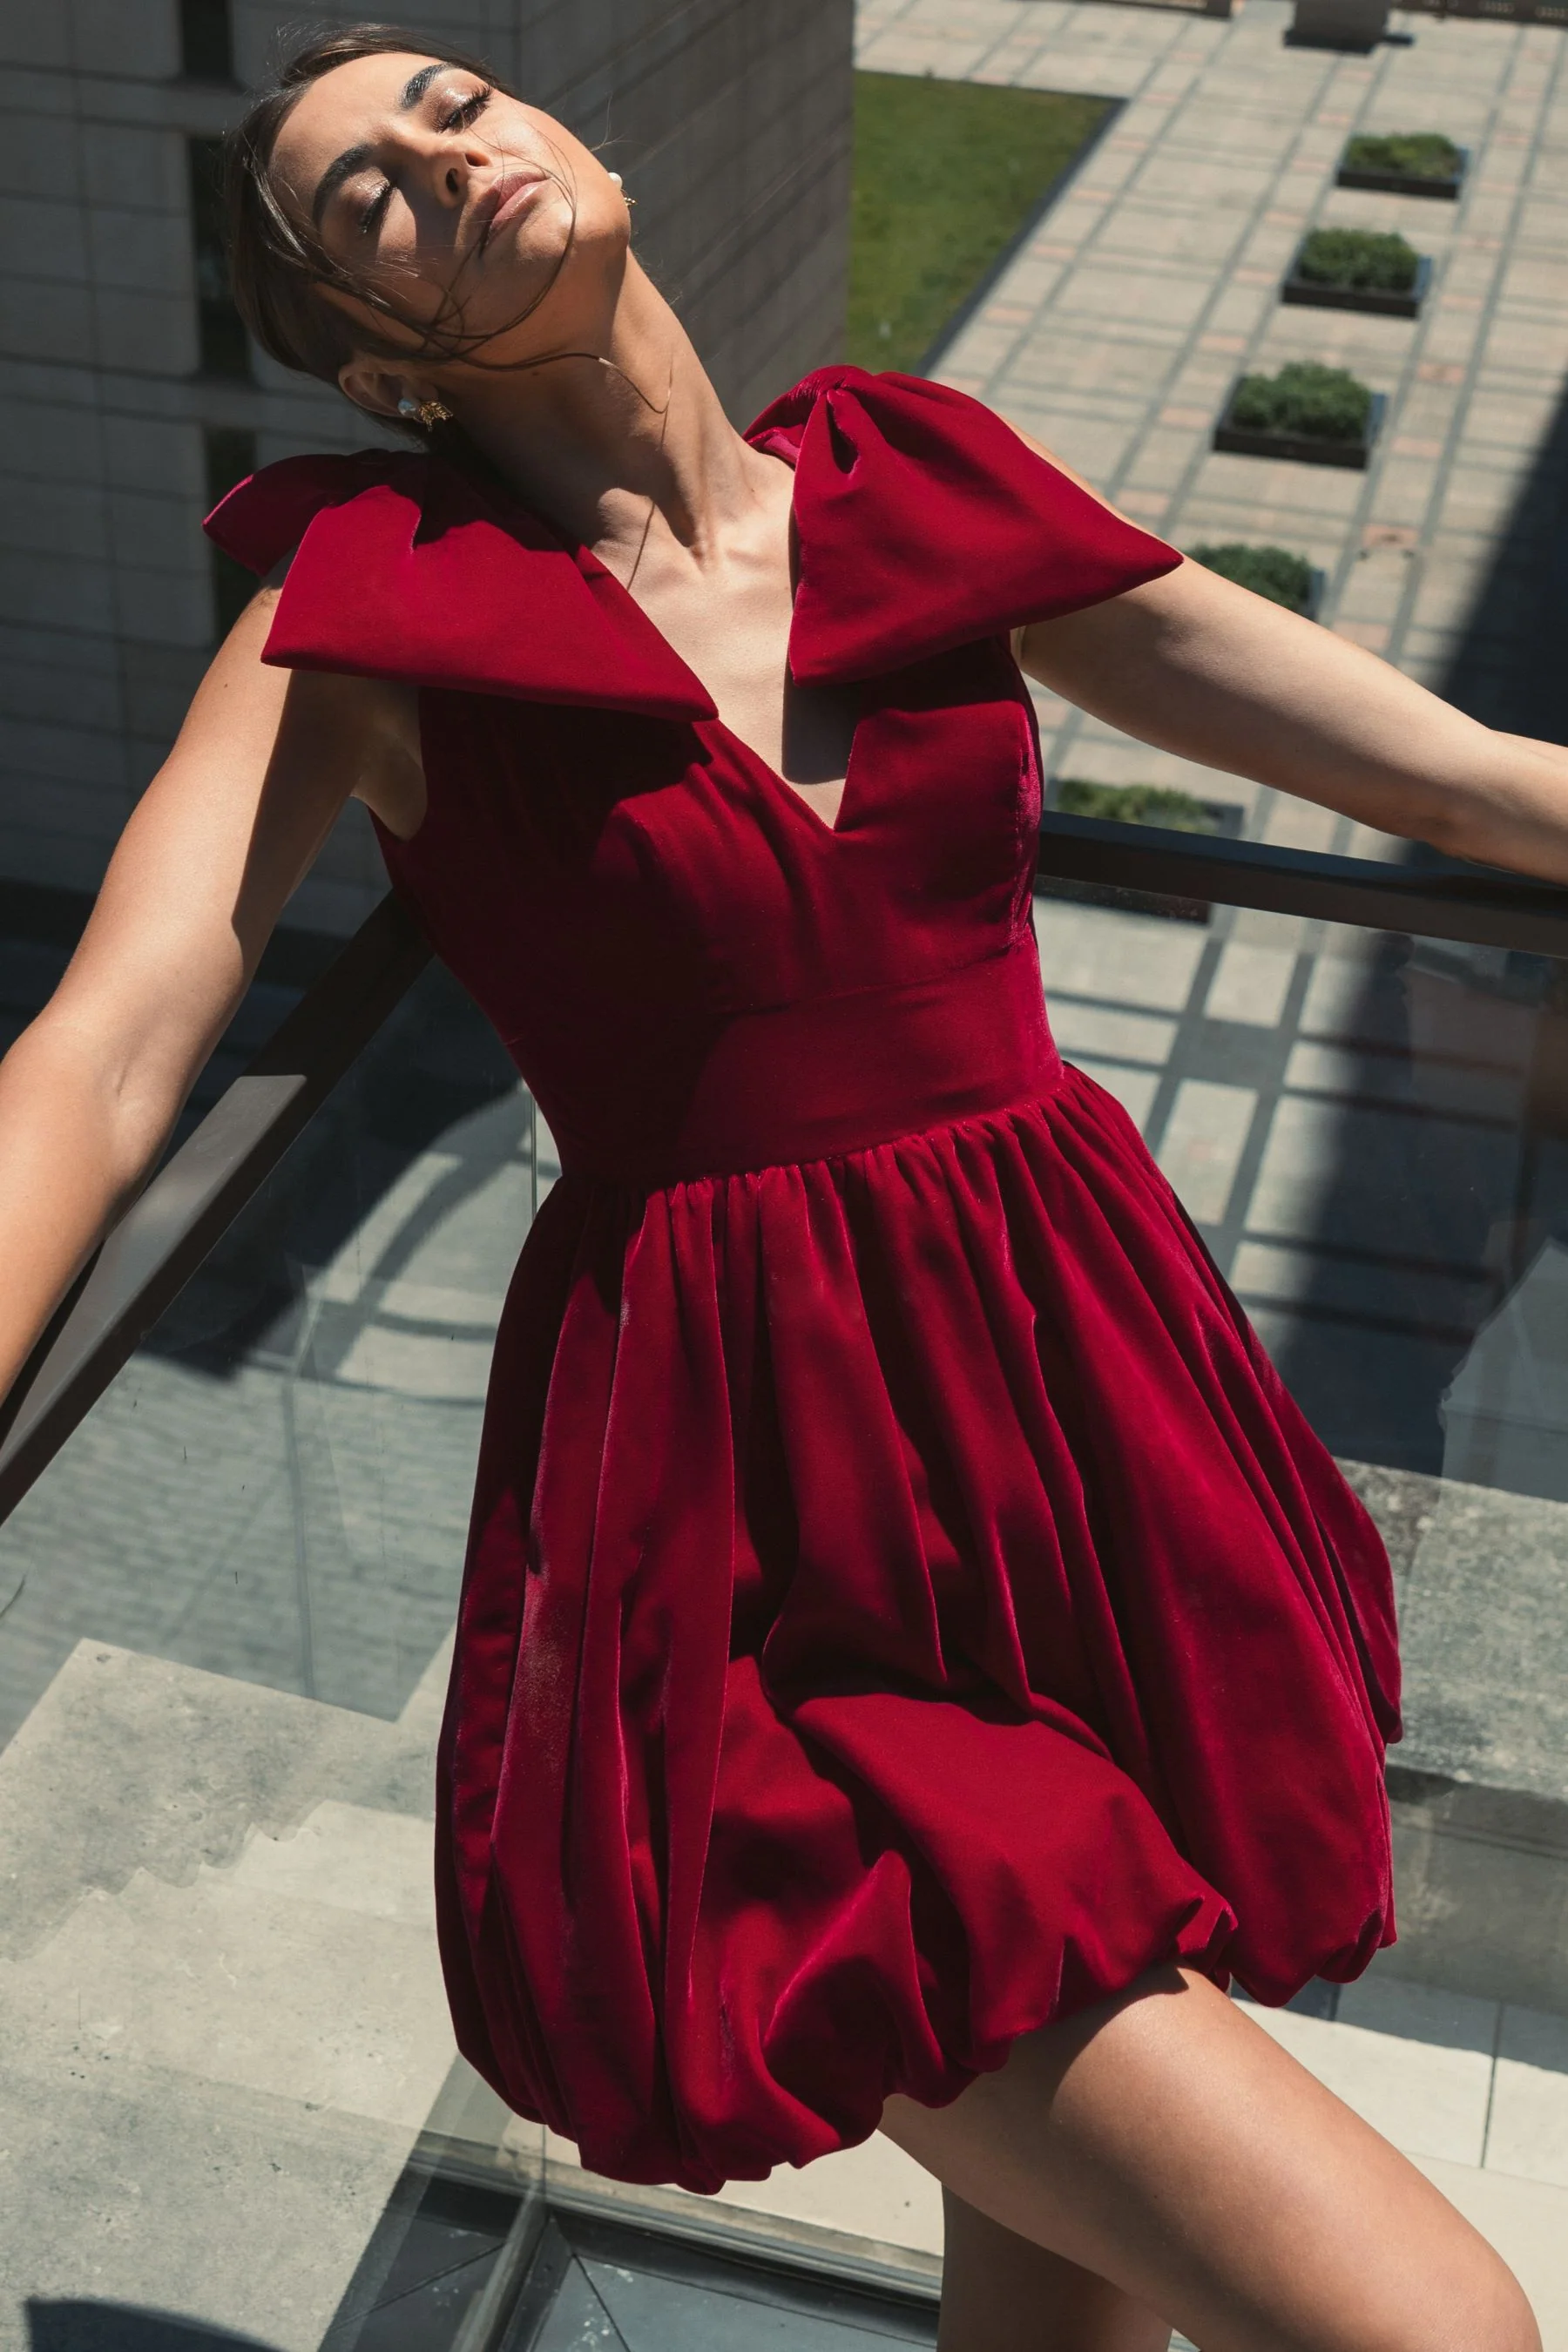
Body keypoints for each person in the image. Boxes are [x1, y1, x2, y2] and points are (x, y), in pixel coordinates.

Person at [0, 24, 1552, 2349]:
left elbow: (1444, 778)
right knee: (1438, 2324)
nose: (447, 158)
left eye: (447, 105)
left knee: (1064, 2297)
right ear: (364, 356)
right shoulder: (369, 609)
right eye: (368, 204)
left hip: (1093, 1469)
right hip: (760, 1559)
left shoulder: (916, 488)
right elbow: (105, 1057)